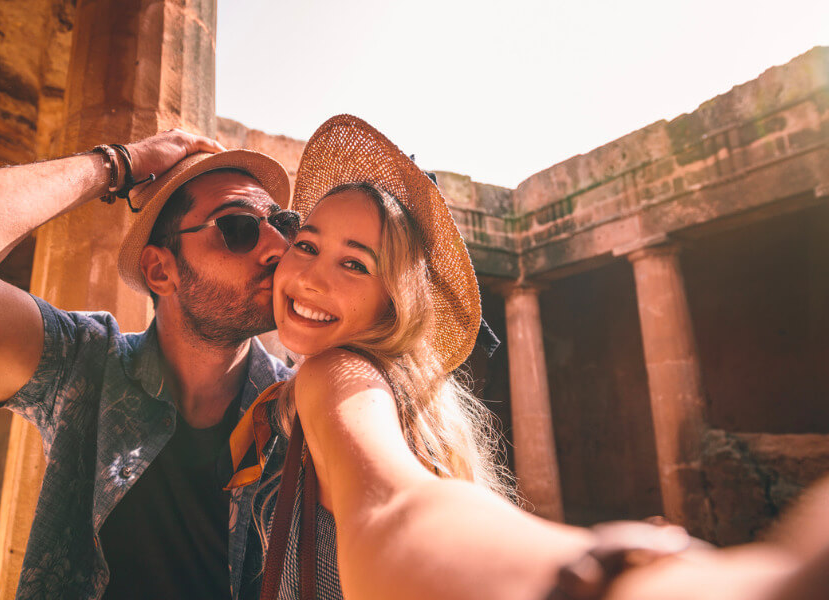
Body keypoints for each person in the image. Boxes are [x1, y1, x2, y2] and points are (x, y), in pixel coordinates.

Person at [231, 115, 828, 600]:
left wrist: (615, 579)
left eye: (356, 262)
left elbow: (395, 505)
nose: (310, 275)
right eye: (306, 245)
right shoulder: (398, 391)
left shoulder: (337, 374)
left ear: (395, 300)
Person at [0, 130, 302, 599]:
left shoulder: (304, 410)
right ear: (161, 270)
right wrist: (118, 164)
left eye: (283, 224)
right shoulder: (85, 363)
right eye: (237, 227)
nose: (277, 247)